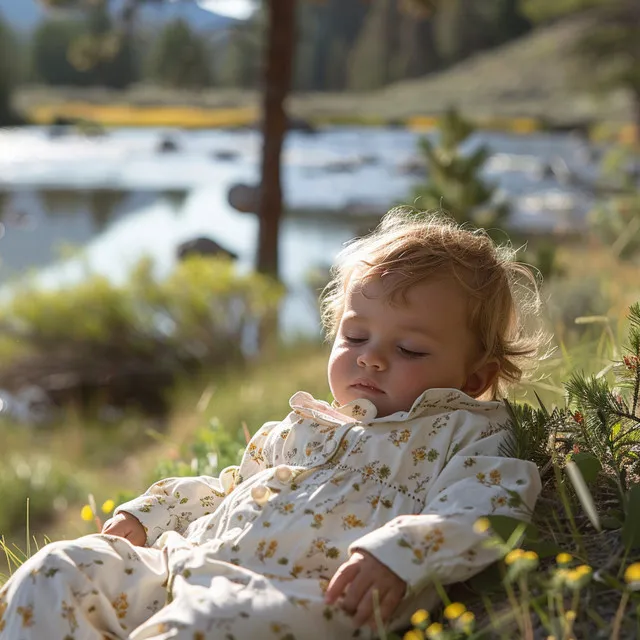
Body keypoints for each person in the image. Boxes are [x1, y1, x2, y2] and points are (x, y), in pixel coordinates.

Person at [0, 208, 544, 640]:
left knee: (201, 629)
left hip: (295, 596)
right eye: (354, 337)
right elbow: (224, 489)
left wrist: (398, 555)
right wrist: (151, 515)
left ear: (475, 378)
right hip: (187, 562)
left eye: (408, 348)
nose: (371, 358)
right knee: (57, 571)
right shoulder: (299, 429)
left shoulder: (465, 434)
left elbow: (484, 506)